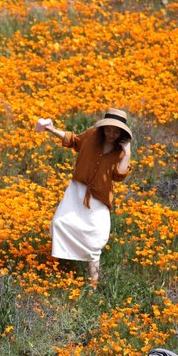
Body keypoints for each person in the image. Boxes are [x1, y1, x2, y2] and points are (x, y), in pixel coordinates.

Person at [35, 108, 133, 286]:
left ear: (121, 133)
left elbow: (119, 175)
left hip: (99, 197)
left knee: (96, 237)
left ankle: (93, 284)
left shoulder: (120, 150)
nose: (111, 134)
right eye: (108, 129)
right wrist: (51, 129)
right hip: (77, 190)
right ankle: (60, 265)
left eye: (116, 131)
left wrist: (127, 153)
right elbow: (73, 140)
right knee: (60, 224)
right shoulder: (92, 135)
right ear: (103, 128)